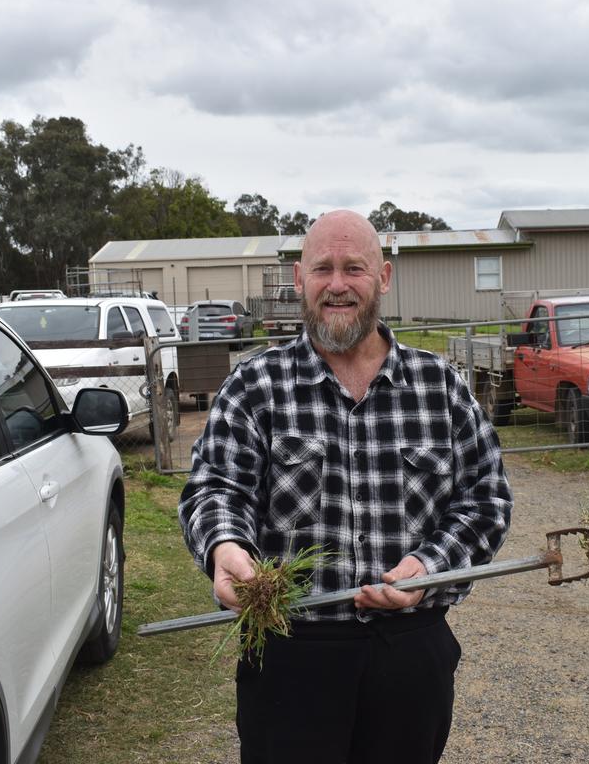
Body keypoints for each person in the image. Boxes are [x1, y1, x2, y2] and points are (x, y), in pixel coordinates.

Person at [178, 209, 512, 764]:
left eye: (353, 269)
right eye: (322, 269)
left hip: (410, 651)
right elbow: (216, 488)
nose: (337, 286)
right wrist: (226, 547)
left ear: (383, 277)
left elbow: (485, 499)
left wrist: (430, 567)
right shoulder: (255, 386)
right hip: (290, 655)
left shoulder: (440, 388)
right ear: (298, 279)